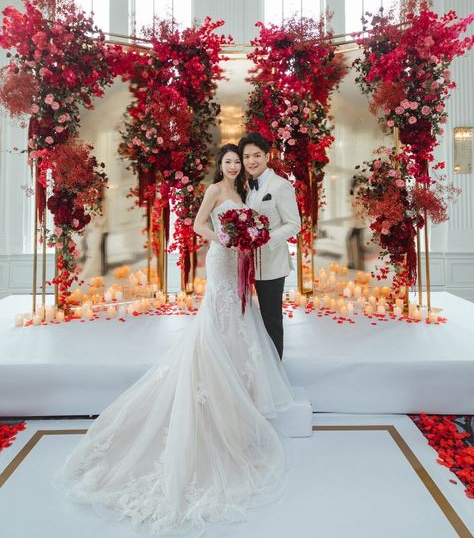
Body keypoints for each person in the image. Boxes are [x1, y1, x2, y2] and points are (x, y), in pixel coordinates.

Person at [56, 143, 294, 535]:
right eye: (230, 161)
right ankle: (213, 382)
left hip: (241, 261)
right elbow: (199, 224)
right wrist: (222, 237)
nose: (235, 166)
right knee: (217, 318)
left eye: (240, 161)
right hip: (221, 259)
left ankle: (239, 390)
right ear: (221, 165)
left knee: (241, 319)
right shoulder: (217, 191)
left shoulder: (247, 192)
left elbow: (263, 225)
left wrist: (246, 238)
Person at [239, 132, 301, 359]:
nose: (251, 161)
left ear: (267, 156)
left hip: (272, 264)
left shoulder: (281, 186)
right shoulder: (247, 186)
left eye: (257, 155)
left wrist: (265, 238)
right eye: (246, 157)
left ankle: (276, 372)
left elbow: (294, 224)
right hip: (247, 264)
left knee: (271, 319)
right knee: (250, 318)